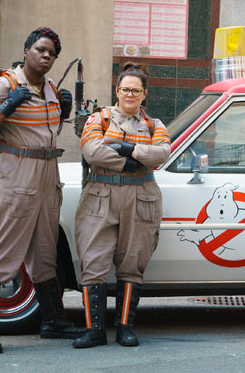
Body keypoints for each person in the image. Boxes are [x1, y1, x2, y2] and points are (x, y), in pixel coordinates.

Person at [0, 27, 83, 354]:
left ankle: (53, 321)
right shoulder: (5, 84)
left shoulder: (50, 88)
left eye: (52, 54)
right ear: (26, 50)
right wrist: (6, 107)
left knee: (45, 250)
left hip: (47, 173)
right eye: (41, 50)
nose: (46, 56)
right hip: (14, 172)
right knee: (0, 248)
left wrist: (63, 112)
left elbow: (46, 131)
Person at [72, 63, 171, 349]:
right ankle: (94, 330)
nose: (130, 95)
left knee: (133, 262)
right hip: (100, 196)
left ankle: (125, 328)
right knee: (93, 260)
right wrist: (131, 162)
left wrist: (127, 148)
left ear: (144, 94)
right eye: (125, 89)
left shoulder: (154, 125)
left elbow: (162, 153)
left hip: (141, 198)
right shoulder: (99, 118)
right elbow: (92, 150)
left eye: (136, 91)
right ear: (117, 91)